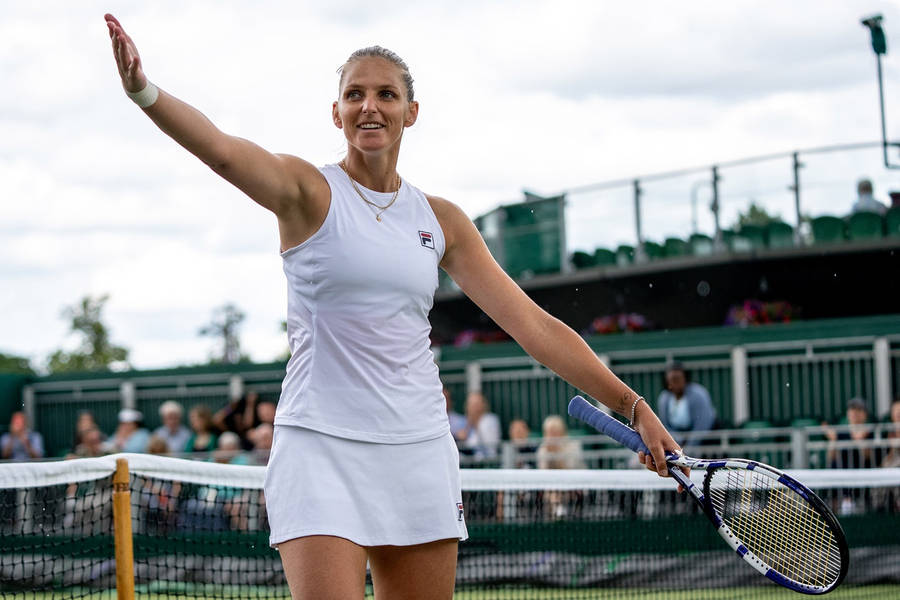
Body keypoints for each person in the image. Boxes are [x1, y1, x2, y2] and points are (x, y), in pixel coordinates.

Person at [105, 15, 683, 598]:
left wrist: (632, 406)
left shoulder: (442, 220)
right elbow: (225, 152)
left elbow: (533, 326)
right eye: (354, 94)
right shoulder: (307, 191)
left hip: (419, 449)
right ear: (337, 113)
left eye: (386, 94)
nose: (369, 107)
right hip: (319, 445)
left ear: (411, 111)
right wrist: (143, 92)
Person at [656, 362, 717, 448]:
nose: (675, 383)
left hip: (702, 441)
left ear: (685, 379)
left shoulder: (698, 394)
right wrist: (676, 442)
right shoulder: (664, 398)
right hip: (676, 441)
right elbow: (664, 425)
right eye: (672, 380)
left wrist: (690, 445)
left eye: (678, 379)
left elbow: (703, 424)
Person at [456, 391, 502, 460]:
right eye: (471, 404)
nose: (474, 408)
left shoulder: (489, 420)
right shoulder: (464, 421)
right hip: (468, 462)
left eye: (476, 404)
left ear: (483, 405)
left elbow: (488, 447)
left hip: (488, 461)